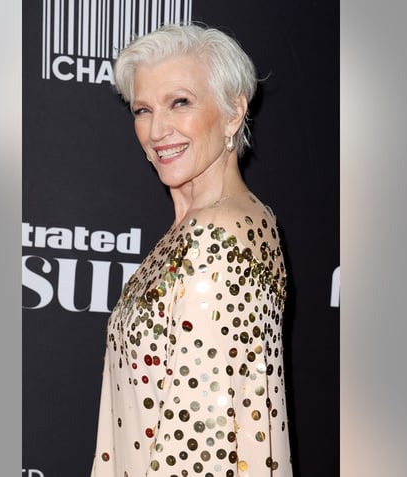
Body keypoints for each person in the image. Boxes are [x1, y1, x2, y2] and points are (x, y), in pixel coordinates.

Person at [91, 23, 292, 476]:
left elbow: (196, 446)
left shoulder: (215, 237)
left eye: (180, 102)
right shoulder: (215, 226)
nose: (157, 129)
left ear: (233, 112)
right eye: (143, 110)